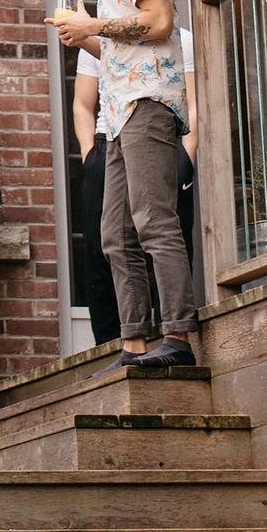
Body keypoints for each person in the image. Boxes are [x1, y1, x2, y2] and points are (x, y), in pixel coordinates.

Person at [56, 0, 195, 368]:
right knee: (114, 234)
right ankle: (135, 345)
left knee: (154, 221)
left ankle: (179, 338)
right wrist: (88, 36)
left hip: (147, 105)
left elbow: (159, 21)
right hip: (115, 115)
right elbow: (127, 44)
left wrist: (94, 26)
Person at [71, 53, 199, 349]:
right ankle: (115, 344)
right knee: (107, 245)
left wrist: (186, 157)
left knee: (161, 232)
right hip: (109, 141)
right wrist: (90, 153)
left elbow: (191, 103)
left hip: (156, 132)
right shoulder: (102, 36)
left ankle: (174, 337)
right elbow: (82, 103)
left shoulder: (178, 38)